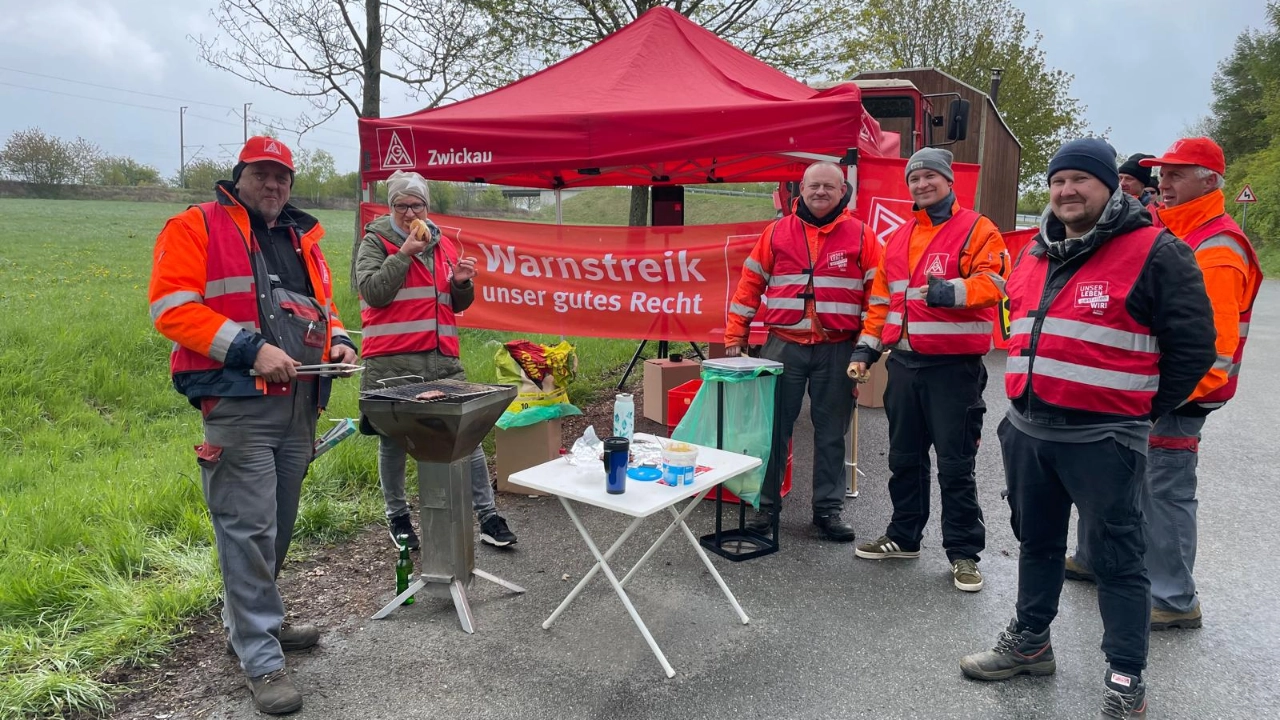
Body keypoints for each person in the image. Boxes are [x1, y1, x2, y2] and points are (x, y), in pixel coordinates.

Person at [960, 138, 1216, 719]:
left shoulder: (1157, 251)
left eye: (1080, 179)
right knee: (1039, 545)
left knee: (1119, 562)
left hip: (1105, 440)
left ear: (1108, 186)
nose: (1066, 191)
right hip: (1028, 431)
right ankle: (1030, 644)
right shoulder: (1033, 250)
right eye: (1057, 181)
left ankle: (1127, 677)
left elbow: (1195, 347)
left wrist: (1138, 410)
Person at [149, 136, 357, 715]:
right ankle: (261, 659)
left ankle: (253, 624)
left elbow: (323, 308)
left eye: (282, 177)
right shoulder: (196, 226)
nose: (273, 186)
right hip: (239, 402)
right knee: (248, 530)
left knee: (277, 525)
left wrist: (337, 341)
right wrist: (249, 349)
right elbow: (172, 307)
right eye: (262, 175)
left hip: (300, 404)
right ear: (238, 177)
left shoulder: (302, 237)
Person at [1066, 138, 1263, 632]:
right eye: (1161, 173)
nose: (1163, 184)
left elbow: (1209, 353)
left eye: (1177, 174)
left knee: (1165, 490)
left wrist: (1155, 402)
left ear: (1209, 181)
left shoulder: (1217, 248)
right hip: (1142, 386)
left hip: (1177, 395)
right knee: (1109, 474)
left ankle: (1174, 598)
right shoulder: (1168, 229)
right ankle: (1093, 557)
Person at [848, 148, 1008, 593]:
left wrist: (947, 292)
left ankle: (963, 554)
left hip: (953, 370)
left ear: (948, 180)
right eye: (914, 178)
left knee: (956, 466)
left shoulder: (978, 229)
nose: (922, 184)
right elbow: (881, 302)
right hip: (903, 364)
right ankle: (903, 537)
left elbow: (996, 284)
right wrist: (865, 350)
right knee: (904, 459)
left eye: (930, 177)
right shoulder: (897, 238)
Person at [356, 170, 517, 552]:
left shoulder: (441, 244)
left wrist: (461, 283)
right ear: (390, 207)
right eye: (402, 205)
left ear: (427, 206)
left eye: (417, 205)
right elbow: (374, 292)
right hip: (393, 362)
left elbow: (453, 304)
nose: (410, 213)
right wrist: (404, 254)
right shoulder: (375, 241)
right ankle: (398, 518)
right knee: (393, 442)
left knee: (469, 436)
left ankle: (487, 516)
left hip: (442, 360)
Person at [724, 161, 879, 541]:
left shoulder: (863, 236)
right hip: (783, 346)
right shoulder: (776, 233)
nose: (821, 192)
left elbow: (879, 298)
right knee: (773, 431)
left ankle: (827, 512)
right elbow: (749, 286)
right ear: (801, 190)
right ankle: (765, 509)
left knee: (831, 433)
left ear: (843, 191)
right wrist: (735, 335)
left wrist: (866, 348)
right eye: (814, 186)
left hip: (838, 348)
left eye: (829, 186)